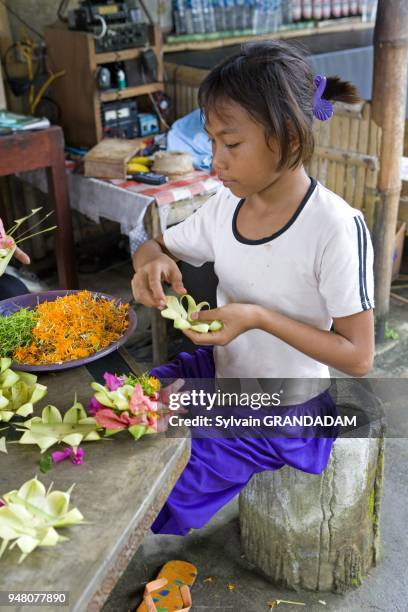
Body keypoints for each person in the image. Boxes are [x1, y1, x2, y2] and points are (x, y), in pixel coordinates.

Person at [131, 41, 375, 536]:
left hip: (285, 411)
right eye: (212, 142)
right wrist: (152, 265)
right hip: (224, 375)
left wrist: (258, 317)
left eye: (232, 144)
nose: (216, 160)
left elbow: (358, 356)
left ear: (286, 137)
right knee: (123, 412)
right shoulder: (227, 206)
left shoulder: (334, 227)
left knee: (157, 483)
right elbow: (154, 244)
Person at [0, 216, 30, 300]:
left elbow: (21, 255)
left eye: (1, 229)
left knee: (18, 289)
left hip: (2, 276)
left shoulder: (6, 241)